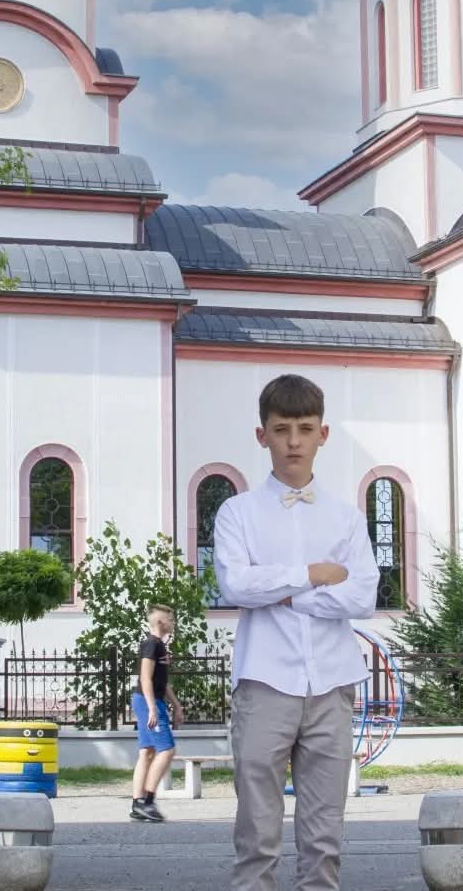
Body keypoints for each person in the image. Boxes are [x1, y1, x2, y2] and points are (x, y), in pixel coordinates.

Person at [214, 374, 379, 891]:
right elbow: (236, 585)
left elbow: (362, 597)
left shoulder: (346, 519)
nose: (293, 442)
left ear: (323, 435)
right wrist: (312, 574)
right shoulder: (237, 513)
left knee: (324, 841)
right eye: (282, 429)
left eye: (305, 429)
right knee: (256, 837)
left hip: (332, 683)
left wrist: (286, 593)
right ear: (261, 434)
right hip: (264, 682)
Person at [129, 604, 184, 822]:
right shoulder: (151, 644)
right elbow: (145, 678)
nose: (173, 623)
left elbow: (162, 682)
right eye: (171, 619)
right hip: (147, 701)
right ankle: (148, 802)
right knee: (167, 750)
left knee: (147, 752)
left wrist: (177, 705)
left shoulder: (160, 645)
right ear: (160, 622)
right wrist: (152, 708)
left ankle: (137, 803)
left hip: (149, 700)